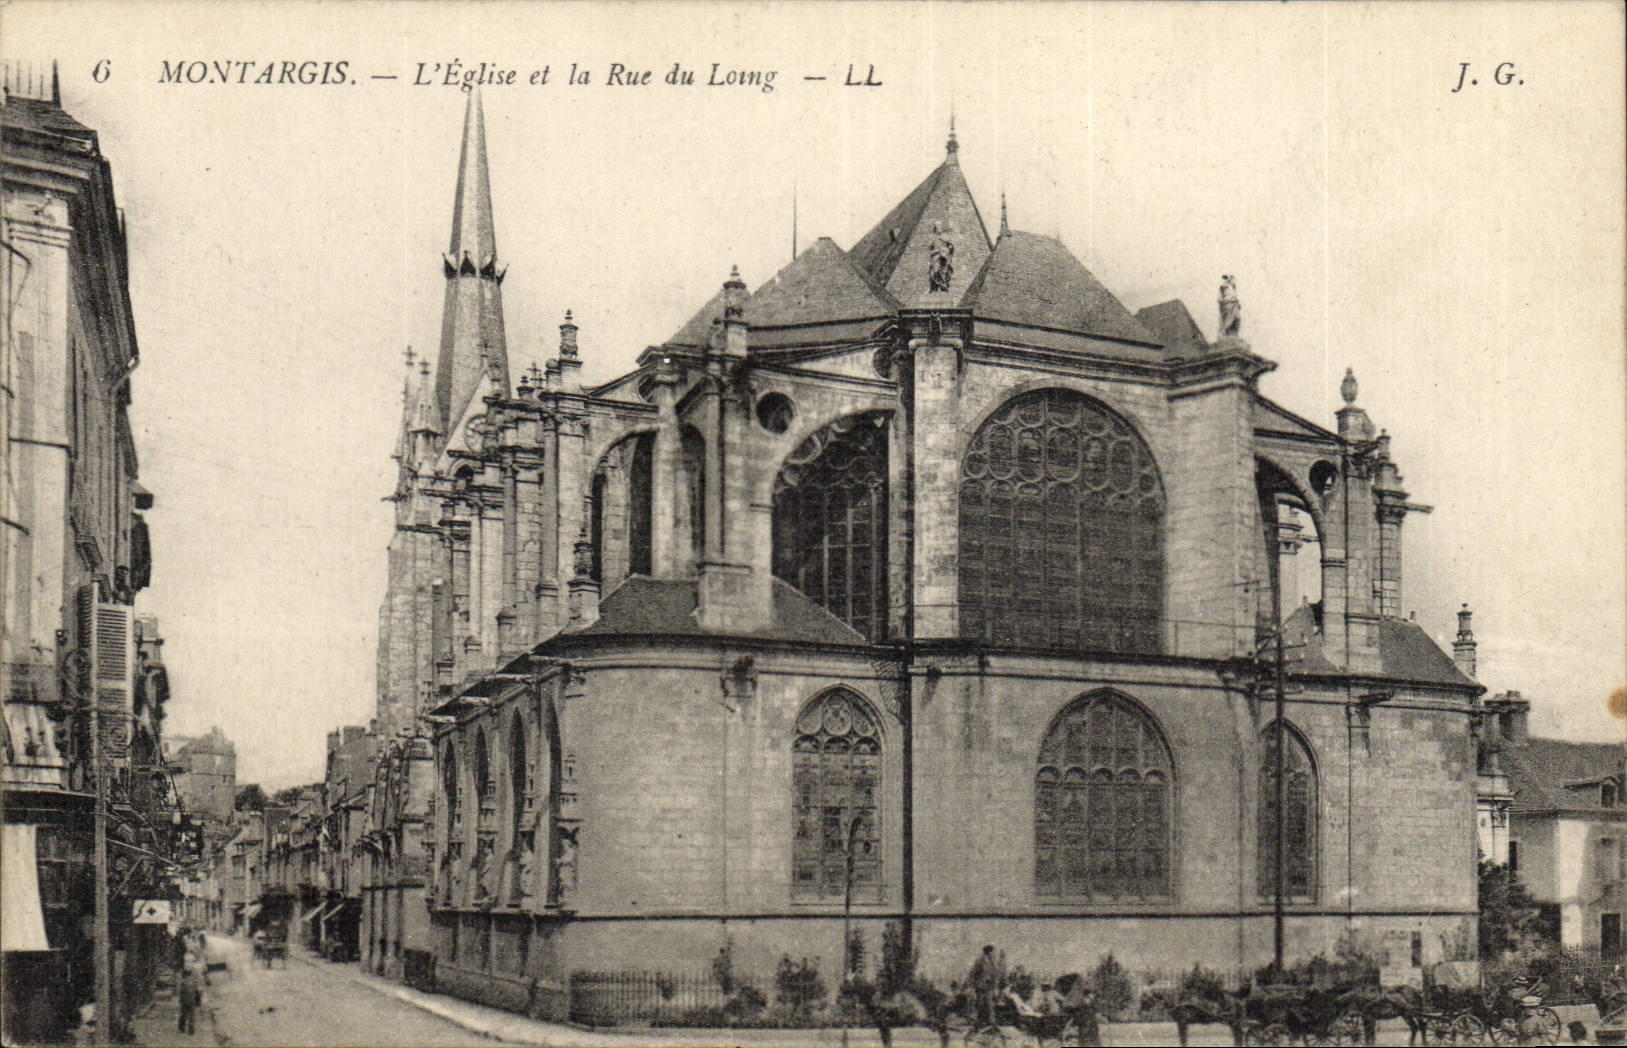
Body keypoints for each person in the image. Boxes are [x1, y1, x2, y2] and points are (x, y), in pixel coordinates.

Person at [968, 945, 1000, 1027]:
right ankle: (978, 1021)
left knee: (990, 1004)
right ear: (988, 952)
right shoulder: (980, 961)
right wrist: (972, 986)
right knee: (980, 1004)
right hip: (981, 987)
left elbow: (995, 975)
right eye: (993, 952)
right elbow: (972, 974)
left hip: (989, 987)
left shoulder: (992, 963)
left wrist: (995, 986)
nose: (994, 954)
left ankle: (991, 1022)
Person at [177, 966, 203, 1035]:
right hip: (192, 1000)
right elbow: (198, 991)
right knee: (191, 1015)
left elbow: (180, 991)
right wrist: (198, 1002)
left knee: (183, 1014)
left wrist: (180, 1000)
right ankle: (191, 1030)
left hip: (184, 1000)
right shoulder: (194, 980)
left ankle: (182, 1028)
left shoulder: (183, 981)